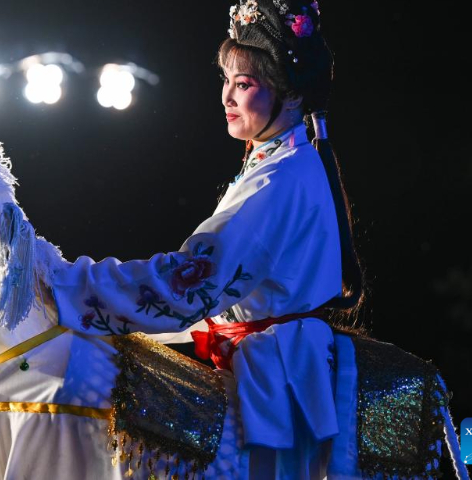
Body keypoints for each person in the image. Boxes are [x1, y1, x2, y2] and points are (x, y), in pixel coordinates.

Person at [39, 0, 365, 477]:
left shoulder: (280, 178)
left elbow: (189, 285)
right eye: (226, 82)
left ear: (290, 95)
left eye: (244, 84)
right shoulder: (279, 162)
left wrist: (66, 286)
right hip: (263, 366)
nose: (226, 98)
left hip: (277, 380)